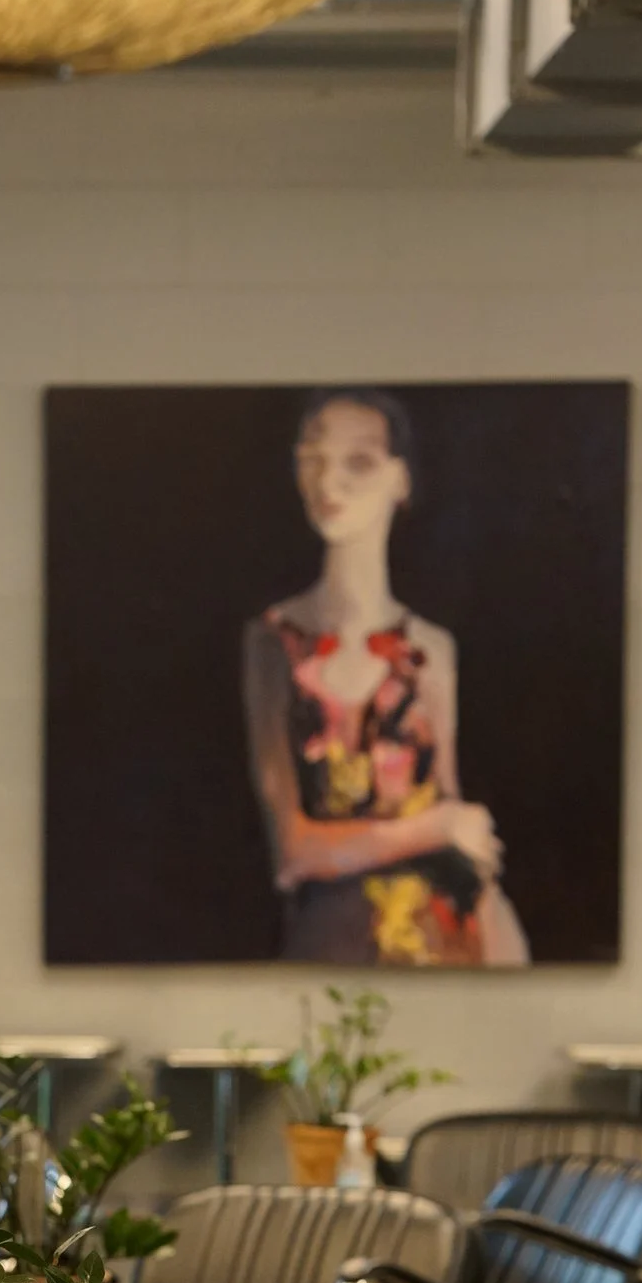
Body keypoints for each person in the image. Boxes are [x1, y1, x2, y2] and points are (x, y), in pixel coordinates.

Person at [243, 389, 529, 968]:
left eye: (359, 462)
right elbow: (296, 851)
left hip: (449, 945)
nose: (331, 482)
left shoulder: (430, 650)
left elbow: (457, 820)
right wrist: (440, 827)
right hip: (334, 948)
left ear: (400, 480)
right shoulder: (273, 644)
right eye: (313, 457)